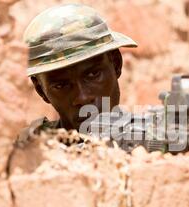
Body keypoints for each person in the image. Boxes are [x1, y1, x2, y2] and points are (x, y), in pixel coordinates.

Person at [17, 3, 137, 144]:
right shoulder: (30, 152)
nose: (83, 98)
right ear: (40, 90)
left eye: (93, 75)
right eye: (61, 85)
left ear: (116, 64)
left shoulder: (155, 142)